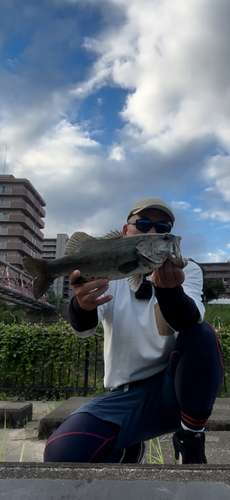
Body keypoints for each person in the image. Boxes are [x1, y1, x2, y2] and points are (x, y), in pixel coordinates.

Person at [44, 197, 224, 464]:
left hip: (175, 391)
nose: (153, 232)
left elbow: (188, 322)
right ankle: (128, 449)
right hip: (124, 398)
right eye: (143, 224)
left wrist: (170, 292)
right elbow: (84, 330)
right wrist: (81, 305)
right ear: (126, 231)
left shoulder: (188, 270)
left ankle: (191, 437)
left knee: (203, 332)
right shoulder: (110, 277)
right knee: (61, 453)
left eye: (163, 229)